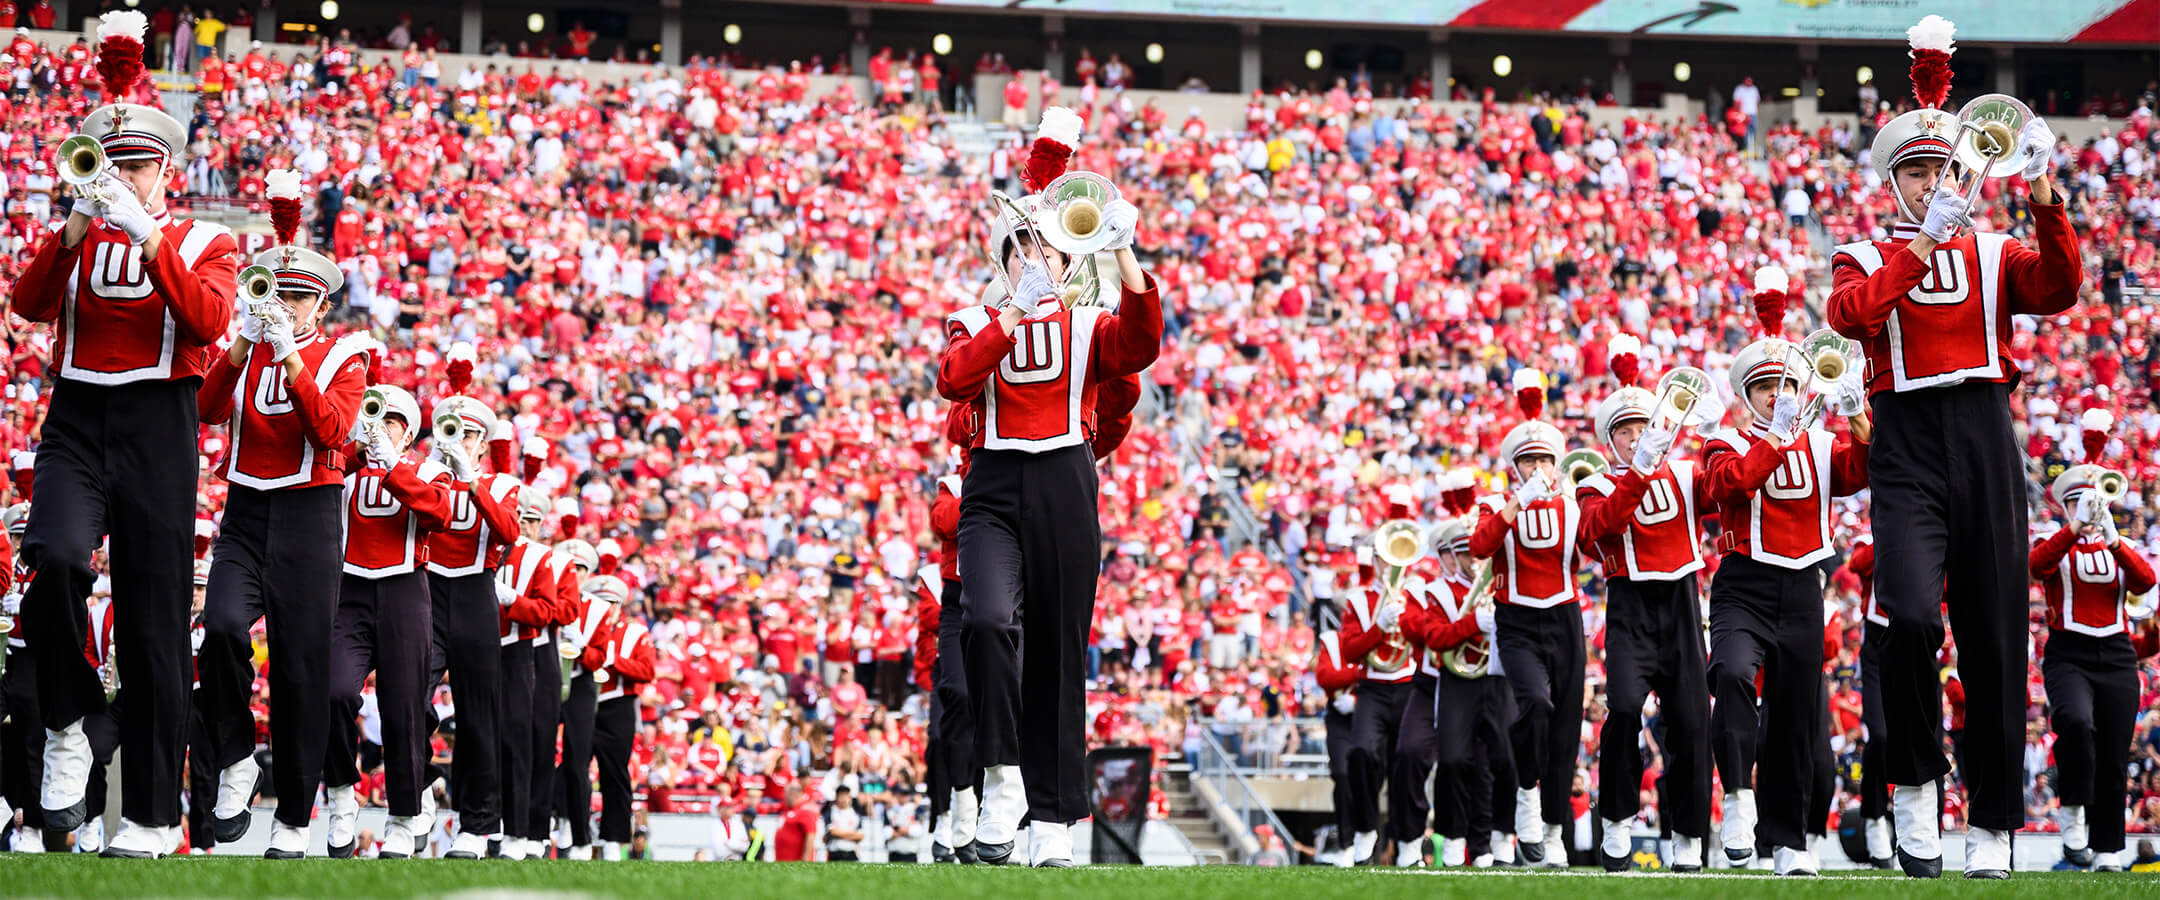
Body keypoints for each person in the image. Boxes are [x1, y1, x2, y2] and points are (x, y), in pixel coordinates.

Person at [1825, 13, 2078, 880]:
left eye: (1942, 167)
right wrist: (1924, 240)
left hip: (1983, 433)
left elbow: (2061, 287)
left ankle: (1995, 823)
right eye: (1917, 171)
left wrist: (2043, 194)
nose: (1933, 179)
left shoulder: (1996, 245)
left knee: (1997, 630)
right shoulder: (1861, 253)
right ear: (1895, 182)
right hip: (1903, 444)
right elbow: (1856, 319)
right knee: (1908, 616)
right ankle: (1914, 792)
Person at [9, 12, 238, 857]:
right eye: (114, 163)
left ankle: (150, 813)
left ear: (165, 172)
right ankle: (69, 718)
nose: (123, 177)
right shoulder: (77, 231)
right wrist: (74, 227)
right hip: (76, 415)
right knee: (58, 557)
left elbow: (210, 321)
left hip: (159, 425)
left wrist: (145, 234)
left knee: (149, 622)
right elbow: (28, 305)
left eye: (136, 165)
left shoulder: (204, 237)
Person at [936, 105, 1159, 868]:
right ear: (1004, 256)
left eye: (1048, 249)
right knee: (990, 623)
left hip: (1065, 476)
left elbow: (1142, 346)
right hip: (993, 483)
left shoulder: (1090, 320)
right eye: (1023, 248)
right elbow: (956, 380)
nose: (1038, 259)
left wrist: (1126, 254)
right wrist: (1012, 310)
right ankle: (1002, 778)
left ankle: (1056, 822)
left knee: (1060, 652)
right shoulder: (974, 316)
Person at [193, 169, 375, 858]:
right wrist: (242, 342)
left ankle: (294, 819)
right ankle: (238, 756)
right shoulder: (247, 350)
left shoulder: (341, 357)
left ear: (319, 308)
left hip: (309, 516)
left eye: (298, 297)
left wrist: (291, 354)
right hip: (246, 511)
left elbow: (331, 432)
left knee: (300, 672)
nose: (285, 304)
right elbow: (205, 411)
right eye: (277, 292)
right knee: (222, 627)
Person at [1698, 337, 1869, 876]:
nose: (1778, 395)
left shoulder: (1819, 442)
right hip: (1742, 584)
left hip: (1801, 588)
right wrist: (1774, 438)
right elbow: (1730, 485)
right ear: (1748, 395)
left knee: (1795, 719)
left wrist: (1857, 414)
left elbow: (1862, 471)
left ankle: (1789, 840)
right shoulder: (1724, 440)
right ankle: (1738, 799)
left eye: (1786, 385)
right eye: (1766, 388)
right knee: (1729, 674)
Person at [1574, 371, 1712, 872]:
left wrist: (1718, 434)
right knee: (1626, 711)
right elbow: (1597, 529)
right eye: (1625, 432)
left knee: (1692, 724)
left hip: (1681, 604)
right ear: (1610, 440)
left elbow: (1730, 491)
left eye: (1643, 427)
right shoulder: (1594, 483)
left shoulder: (1684, 472)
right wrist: (1640, 469)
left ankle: (1689, 836)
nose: (1636, 438)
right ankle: (1615, 820)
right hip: (1629, 607)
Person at [320, 384, 454, 859]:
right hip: (350, 592)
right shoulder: (346, 464)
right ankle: (340, 792)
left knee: (404, 707)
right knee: (333, 691)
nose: (380, 426)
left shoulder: (430, 468)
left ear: (409, 430)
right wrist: (360, 453)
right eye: (375, 416)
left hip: (405, 592)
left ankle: (403, 814)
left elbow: (437, 513)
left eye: (392, 421)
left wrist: (392, 465)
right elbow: (319, 480)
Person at [1468, 372, 1580, 868]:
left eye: (1544, 460)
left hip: (1565, 617)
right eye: (1528, 460)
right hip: (1516, 621)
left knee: (1566, 727)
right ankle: (1527, 796)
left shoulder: (1574, 504)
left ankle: (1553, 830)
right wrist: (1517, 502)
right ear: (1514, 467)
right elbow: (1479, 546)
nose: (1537, 467)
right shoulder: (1496, 503)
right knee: (1534, 703)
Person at [2030, 465, 2159, 872]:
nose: (2087, 508)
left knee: (2114, 752)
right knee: (2075, 723)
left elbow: (2145, 581)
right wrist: (2076, 527)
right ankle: (2071, 809)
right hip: (2069, 653)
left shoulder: (2116, 545)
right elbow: (2036, 567)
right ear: (2068, 507)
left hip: (2117, 654)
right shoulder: (2054, 541)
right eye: (2078, 503)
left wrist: (2113, 536)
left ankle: (2106, 849)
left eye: (2093, 502)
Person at [421, 393, 522, 858]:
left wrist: (470, 480)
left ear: (482, 442)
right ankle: (417, 790)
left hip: (474, 594)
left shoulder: (501, 484)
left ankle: (474, 824)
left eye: (468, 432)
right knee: (408, 697)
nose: (458, 437)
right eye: (450, 427)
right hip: (424, 589)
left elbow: (508, 533)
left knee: (479, 717)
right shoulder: (425, 472)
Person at [1399, 509, 1514, 868]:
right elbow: (1429, 636)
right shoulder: (1435, 591)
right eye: (1464, 553)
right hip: (1445, 681)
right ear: (1450, 555)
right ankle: (1437, 839)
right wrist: (1472, 623)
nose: (1473, 560)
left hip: (1491, 680)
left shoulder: (1503, 584)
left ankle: (1491, 841)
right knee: (1444, 760)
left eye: (1477, 552)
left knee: (1497, 762)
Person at [1336, 493, 1420, 866]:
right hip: (1372, 685)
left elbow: (1427, 640)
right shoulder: (1357, 599)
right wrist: (1377, 627)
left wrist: (1405, 622)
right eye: (1385, 556)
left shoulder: (1417, 593)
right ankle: (1366, 828)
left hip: (1408, 685)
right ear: (1375, 559)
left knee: (1408, 761)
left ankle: (1408, 839)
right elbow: (1350, 651)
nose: (1391, 563)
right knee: (1360, 753)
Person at [494, 486, 567, 860]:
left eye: (532, 520)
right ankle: (487, 825)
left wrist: (512, 600)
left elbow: (556, 611)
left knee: (531, 745)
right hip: (495, 649)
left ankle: (530, 829)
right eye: (521, 517)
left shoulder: (546, 558)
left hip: (535, 652)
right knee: (491, 739)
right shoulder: (494, 547)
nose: (525, 525)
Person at [575, 574, 651, 861]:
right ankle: (575, 835)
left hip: (617, 705)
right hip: (582, 701)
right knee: (575, 770)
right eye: (601, 602)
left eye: (613, 603)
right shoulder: (579, 627)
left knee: (615, 775)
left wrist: (613, 659)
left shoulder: (635, 633)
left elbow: (646, 671)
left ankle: (613, 840)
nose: (608, 608)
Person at [551, 538, 601, 856]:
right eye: (572, 567)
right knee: (535, 755)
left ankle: (580, 835)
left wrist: (580, 648)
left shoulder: (596, 610)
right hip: (544, 678)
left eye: (581, 569)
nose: (576, 573)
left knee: (578, 762)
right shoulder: (547, 594)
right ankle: (536, 826)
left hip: (580, 684)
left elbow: (600, 657)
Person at [1311, 621, 1365, 868]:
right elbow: (1325, 676)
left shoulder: (1377, 635)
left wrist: (1357, 699)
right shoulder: (1333, 641)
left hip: (1369, 711)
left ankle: (1372, 839)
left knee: (1369, 775)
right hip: (1339, 718)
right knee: (1341, 775)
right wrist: (1356, 675)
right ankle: (1347, 842)